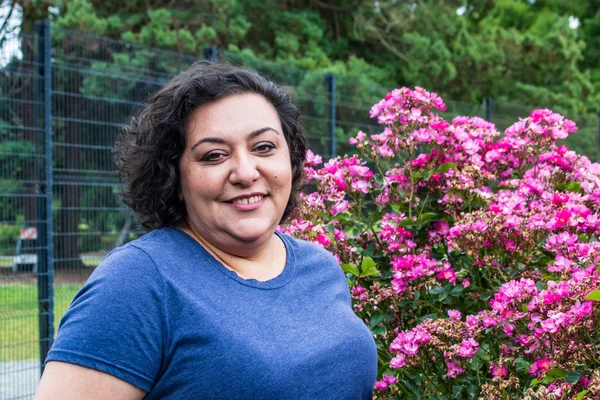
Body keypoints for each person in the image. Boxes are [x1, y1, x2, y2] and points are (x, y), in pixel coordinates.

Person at [34, 61, 378, 400]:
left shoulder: (319, 266)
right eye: (213, 155)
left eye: (264, 147)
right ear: (174, 177)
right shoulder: (140, 282)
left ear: (290, 160)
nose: (245, 172)